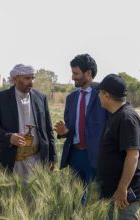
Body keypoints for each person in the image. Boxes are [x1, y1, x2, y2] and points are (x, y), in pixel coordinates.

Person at [0, 64, 57, 179]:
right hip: (11, 160)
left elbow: (48, 129)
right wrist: (9, 137)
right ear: (15, 79)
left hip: (36, 160)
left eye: (32, 78)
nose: (31, 82)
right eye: (26, 78)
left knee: (33, 196)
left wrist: (52, 157)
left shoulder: (41, 98)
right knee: (9, 196)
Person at [55, 54, 108, 205]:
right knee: (74, 202)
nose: (73, 77)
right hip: (75, 156)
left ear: (89, 73)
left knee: (96, 203)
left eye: (76, 73)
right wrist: (65, 132)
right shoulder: (71, 98)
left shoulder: (104, 94)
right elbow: (71, 127)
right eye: (72, 73)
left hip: (96, 158)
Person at [96, 74, 140, 220]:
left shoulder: (126, 118)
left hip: (125, 196)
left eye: (99, 93)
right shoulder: (116, 115)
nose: (98, 96)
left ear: (106, 95)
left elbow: (133, 155)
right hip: (114, 192)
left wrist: (122, 188)